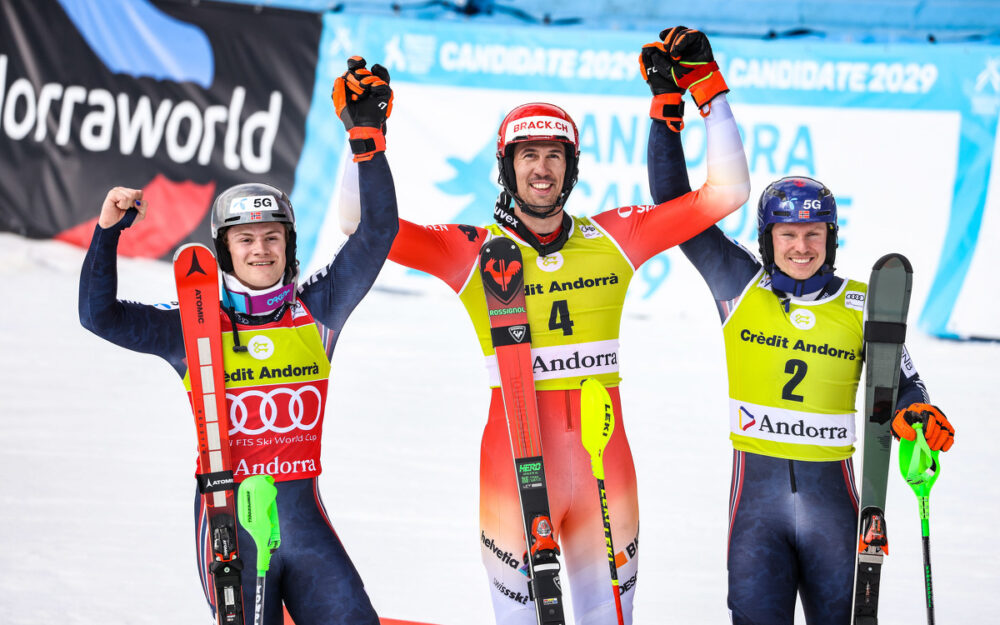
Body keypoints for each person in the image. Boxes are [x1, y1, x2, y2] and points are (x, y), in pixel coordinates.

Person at [380, 28, 749, 624]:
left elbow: (728, 193)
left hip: (607, 473)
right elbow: (361, 226)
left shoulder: (614, 238)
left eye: (555, 155)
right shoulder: (471, 251)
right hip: (513, 472)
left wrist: (708, 91)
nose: (542, 169)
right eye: (528, 155)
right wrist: (365, 143)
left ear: (572, 167)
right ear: (507, 167)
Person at [642, 27, 957, 625]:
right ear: (768, 239)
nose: (802, 247)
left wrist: (917, 412)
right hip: (756, 515)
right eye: (788, 235)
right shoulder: (738, 284)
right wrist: (669, 107)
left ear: (832, 237)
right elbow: (670, 204)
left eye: (814, 234)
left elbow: (902, 382)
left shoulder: (864, 302)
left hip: (834, 512)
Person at [79, 58, 399, 625]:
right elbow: (98, 317)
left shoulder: (317, 311)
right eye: (245, 239)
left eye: (272, 237)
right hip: (229, 527)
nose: (260, 250)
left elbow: (378, 235)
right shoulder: (193, 324)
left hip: (305, 525)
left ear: (288, 244)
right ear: (224, 251)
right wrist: (106, 235)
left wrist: (366, 141)